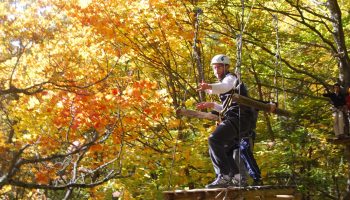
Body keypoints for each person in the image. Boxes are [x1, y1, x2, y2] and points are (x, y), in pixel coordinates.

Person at [196, 54, 253, 188]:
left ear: (226, 67)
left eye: (219, 68)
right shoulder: (227, 84)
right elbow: (226, 107)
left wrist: (208, 86)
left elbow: (224, 87)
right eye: (215, 68)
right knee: (224, 147)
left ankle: (224, 175)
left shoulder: (231, 78)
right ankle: (237, 178)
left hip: (239, 118)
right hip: (239, 118)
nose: (217, 71)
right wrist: (212, 105)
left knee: (214, 139)